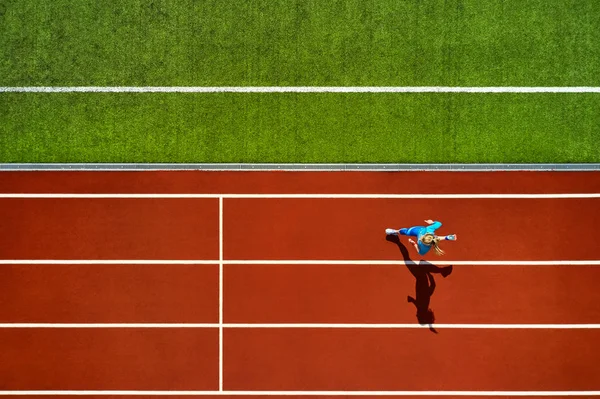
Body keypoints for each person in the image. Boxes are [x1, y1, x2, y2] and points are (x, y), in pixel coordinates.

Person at [386, 219, 456, 256]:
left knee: (407, 232)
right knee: (406, 231)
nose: (419, 238)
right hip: (418, 230)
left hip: (419, 231)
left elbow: (420, 253)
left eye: (421, 239)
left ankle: (447, 237)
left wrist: (414, 244)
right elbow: (439, 223)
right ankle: (395, 231)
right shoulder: (429, 230)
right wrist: (431, 222)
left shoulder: (425, 245)